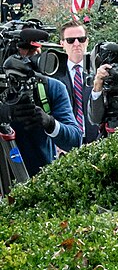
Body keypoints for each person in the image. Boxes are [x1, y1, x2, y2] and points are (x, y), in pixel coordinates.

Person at [6, 22, 84, 173]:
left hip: (38, 178)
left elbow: (75, 139)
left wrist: (49, 123)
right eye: (25, 48)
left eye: (35, 48)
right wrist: (6, 112)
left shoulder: (52, 87)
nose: (31, 55)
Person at [55, 19, 104, 144]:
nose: (76, 43)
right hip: (65, 140)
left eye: (81, 39)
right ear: (62, 43)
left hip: (97, 139)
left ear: (87, 41)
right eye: (70, 40)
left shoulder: (100, 71)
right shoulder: (54, 73)